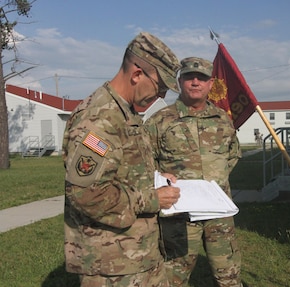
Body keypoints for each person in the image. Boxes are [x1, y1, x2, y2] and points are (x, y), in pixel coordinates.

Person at [62, 32, 181, 287]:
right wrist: (152, 198)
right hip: (113, 267)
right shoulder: (99, 119)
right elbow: (86, 194)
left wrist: (156, 178)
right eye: (161, 87)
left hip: (137, 258)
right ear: (137, 74)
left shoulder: (124, 112)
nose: (161, 97)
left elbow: (122, 169)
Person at [144, 57, 242, 287]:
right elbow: (145, 162)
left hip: (218, 213)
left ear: (210, 84)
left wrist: (214, 182)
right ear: (179, 82)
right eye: (189, 77)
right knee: (173, 277)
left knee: (229, 274)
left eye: (202, 78)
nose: (195, 82)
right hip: (180, 215)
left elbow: (233, 155)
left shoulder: (222, 120)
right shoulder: (160, 121)